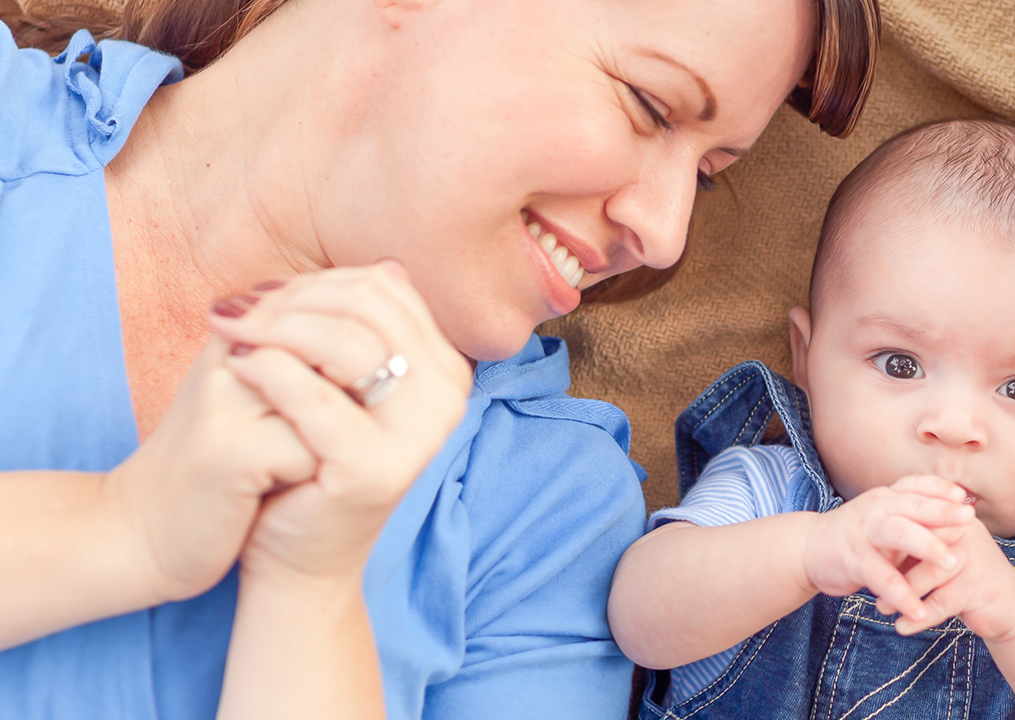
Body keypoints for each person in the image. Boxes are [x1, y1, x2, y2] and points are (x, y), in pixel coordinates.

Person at [0, 0, 878, 714]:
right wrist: (127, 529)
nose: (665, 232)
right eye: (650, 104)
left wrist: (311, 590)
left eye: (708, 171)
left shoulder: (550, 513)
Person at [610, 120, 1015, 720]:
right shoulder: (771, 488)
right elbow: (638, 619)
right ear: (807, 359)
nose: (954, 426)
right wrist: (808, 554)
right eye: (900, 364)